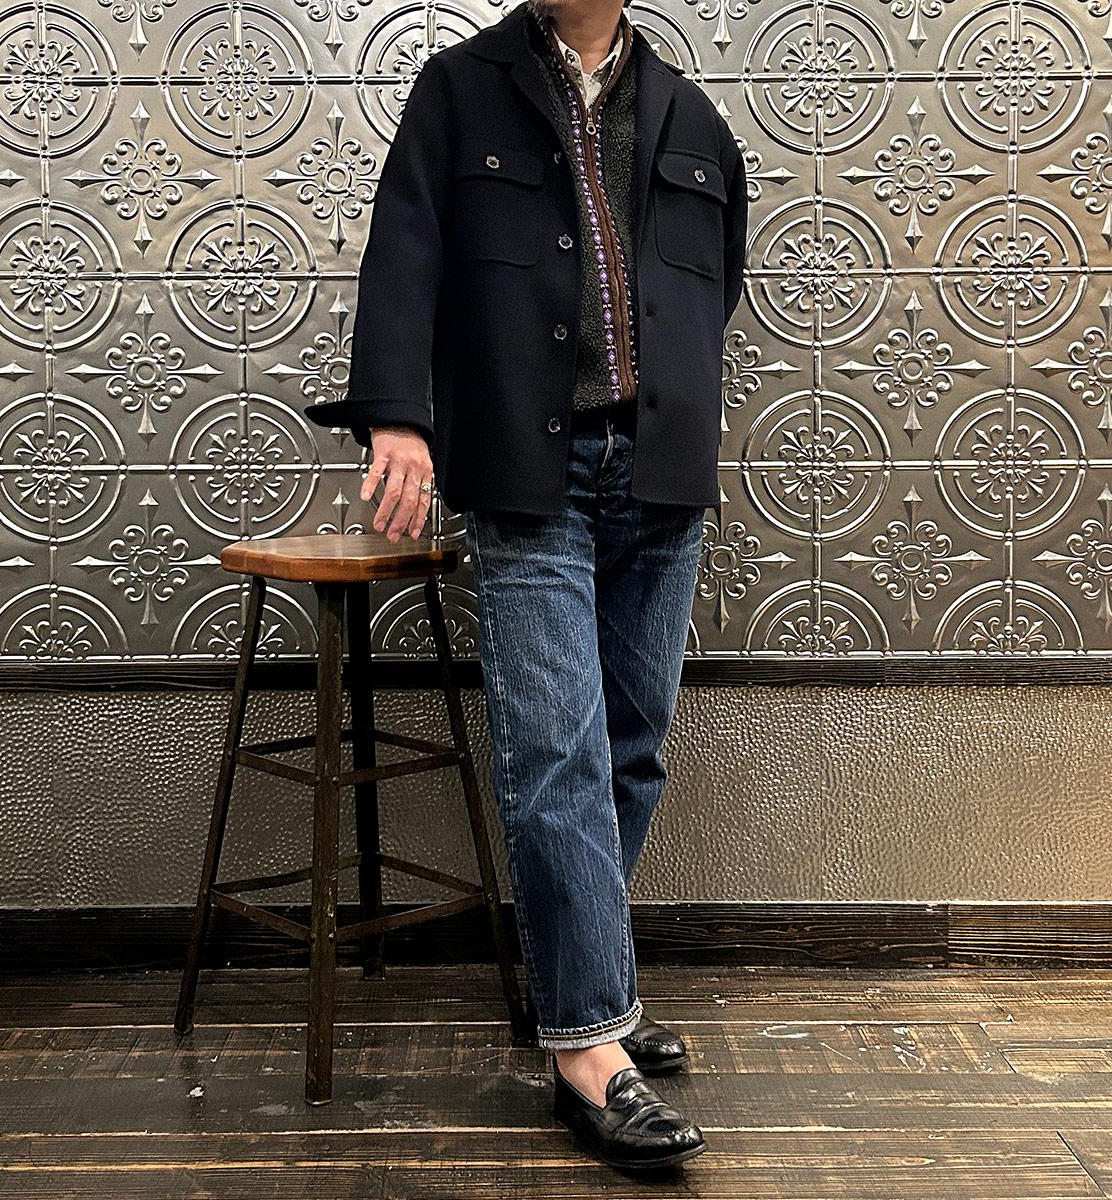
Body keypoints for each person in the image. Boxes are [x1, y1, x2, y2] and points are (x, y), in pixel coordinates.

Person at [305, 0, 748, 1172]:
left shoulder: (692, 117)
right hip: (528, 471)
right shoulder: (460, 89)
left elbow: (715, 289)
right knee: (556, 752)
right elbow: (406, 255)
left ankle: (585, 987)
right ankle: (590, 1053)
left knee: (631, 751)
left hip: (661, 473)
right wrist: (399, 418)